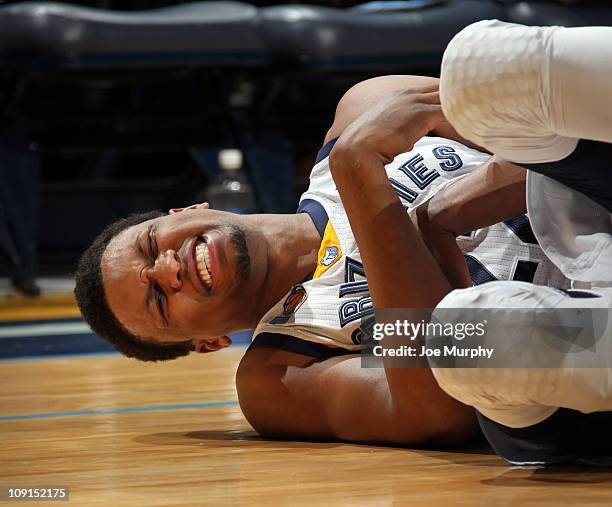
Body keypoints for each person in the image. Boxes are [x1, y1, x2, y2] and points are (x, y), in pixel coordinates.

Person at [75, 75, 569, 448]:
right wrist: (359, 175)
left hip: (592, 196)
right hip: (580, 334)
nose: (168, 269)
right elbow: (441, 415)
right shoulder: (275, 375)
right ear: (208, 344)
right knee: (511, 355)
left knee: (491, 55)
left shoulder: (362, 107)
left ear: (188, 210)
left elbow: (554, 129)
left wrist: (441, 216)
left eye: (150, 246)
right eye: (159, 300)